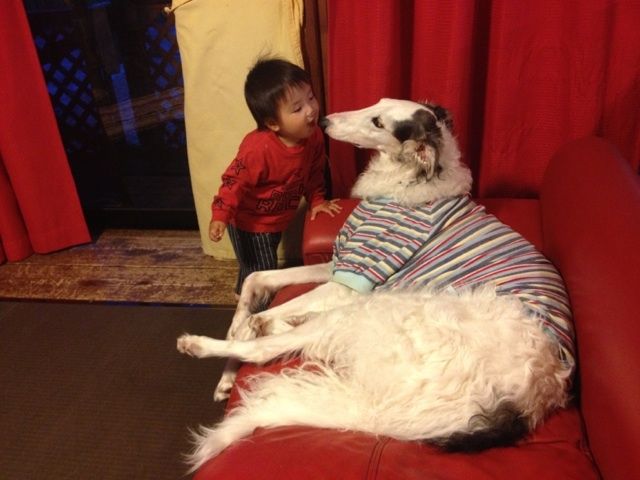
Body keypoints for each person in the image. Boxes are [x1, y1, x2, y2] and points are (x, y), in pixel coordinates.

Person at [209, 57, 341, 298]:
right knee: (262, 270)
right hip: (249, 222)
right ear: (272, 123)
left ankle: (242, 292)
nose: (311, 109)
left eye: (311, 98)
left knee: (255, 266)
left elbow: (314, 173)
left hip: (277, 218)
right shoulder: (258, 149)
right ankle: (256, 309)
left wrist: (317, 201)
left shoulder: (313, 137)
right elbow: (233, 182)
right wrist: (220, 215)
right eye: (297, 108)